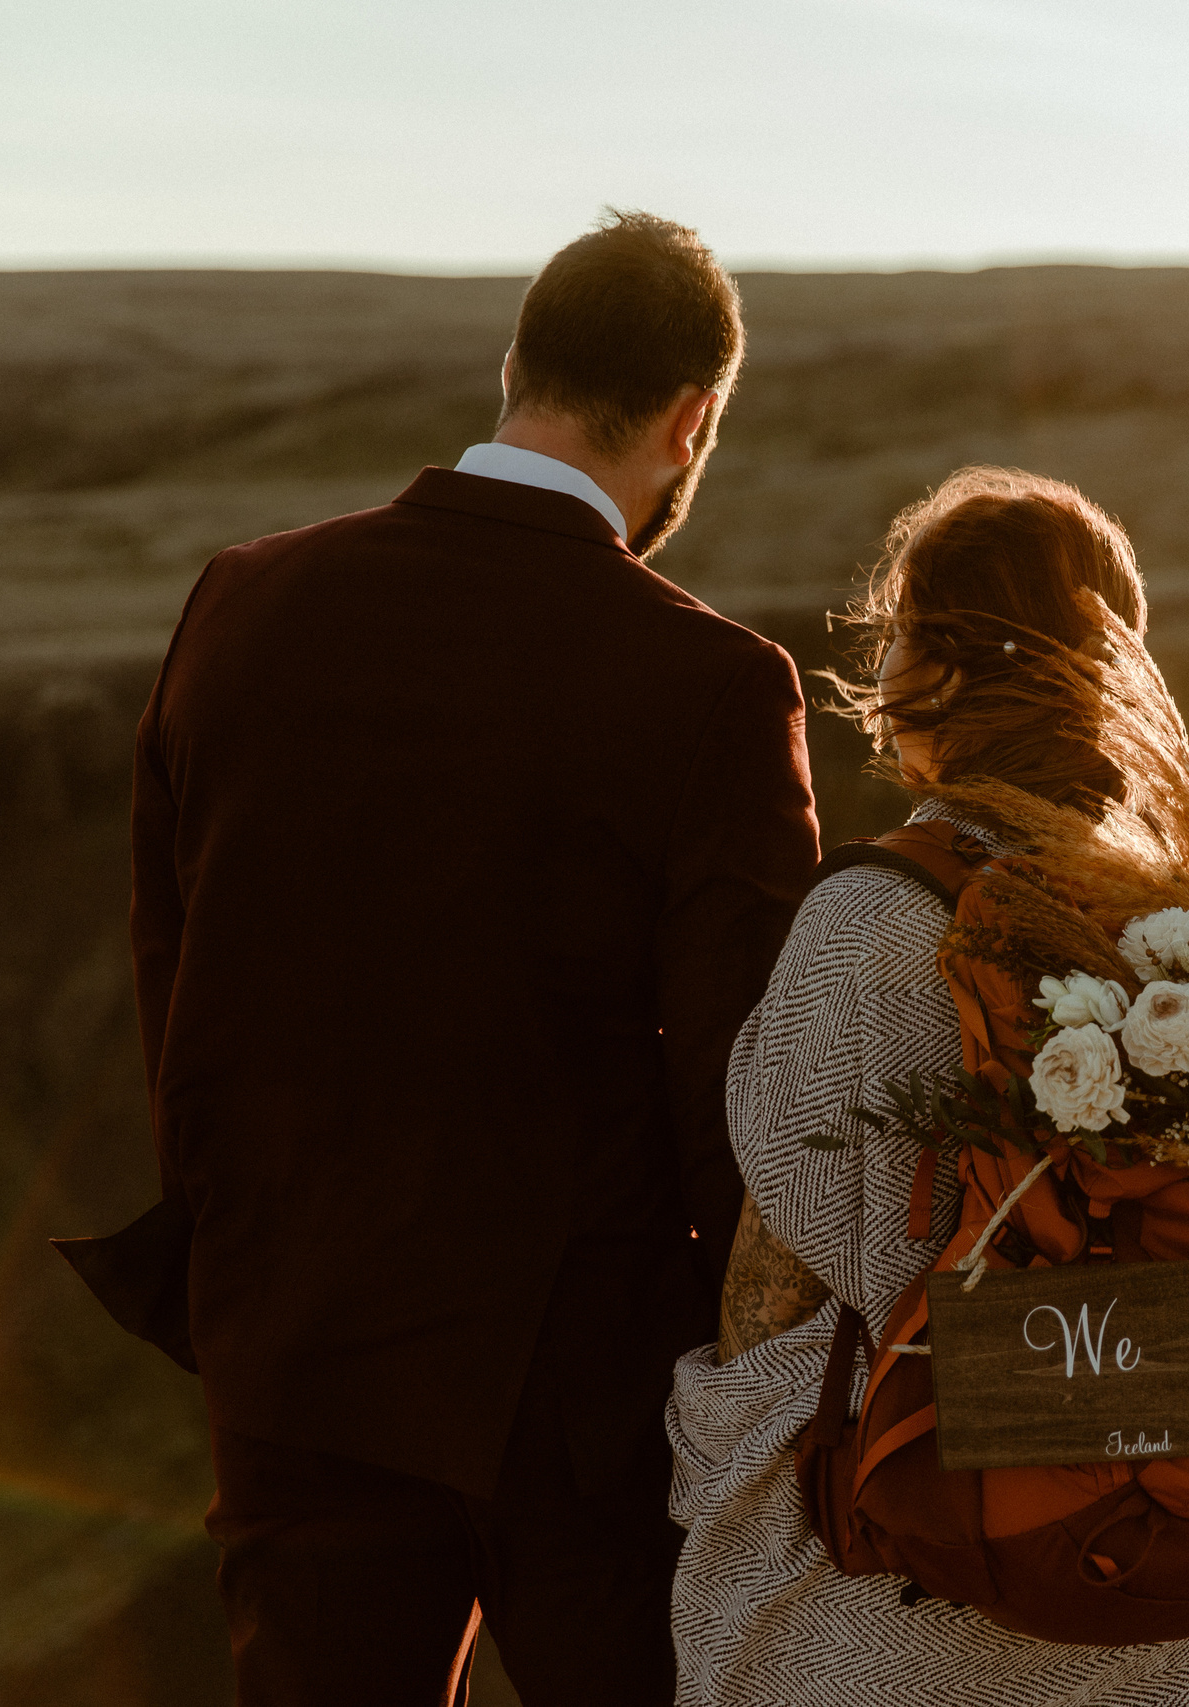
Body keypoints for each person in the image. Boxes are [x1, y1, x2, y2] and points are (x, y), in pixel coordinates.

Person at [119, 210, 818, 1705]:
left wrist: (240, 1248)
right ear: (694, 419)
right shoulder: (712, 686)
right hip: (585, 1406)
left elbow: (173, 964)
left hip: (294, 1343)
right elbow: (739, 1090)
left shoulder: (239, 605)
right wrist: (779, 1385)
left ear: (515, 367)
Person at [666, 466, 1189, 1705]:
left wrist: (702, 1474)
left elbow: (784, 1284)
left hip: (902, 1586)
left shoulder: (875, 921)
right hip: (1167, 1580)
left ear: (934, 670)